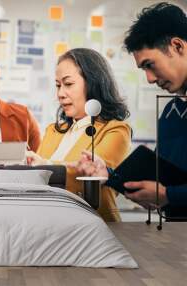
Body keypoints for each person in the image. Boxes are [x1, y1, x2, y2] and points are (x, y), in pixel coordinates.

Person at [74, 2, 187, 220]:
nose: (150, 79)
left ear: (177, 46)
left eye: (150, 65)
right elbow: (163, 182)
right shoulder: (171, 111)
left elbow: (168, 192)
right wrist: (110, 176)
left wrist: (170, 195)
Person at [26, 48, 131, 222]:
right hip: (49, 225)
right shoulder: (53, 130)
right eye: (58, 85)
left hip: (94, 228)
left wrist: (46, 165)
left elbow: (91, 175)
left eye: (68, 84)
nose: (60, 94)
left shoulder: (116, 130)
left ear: (93, 83)